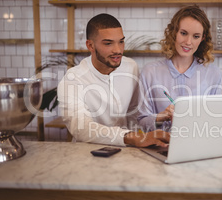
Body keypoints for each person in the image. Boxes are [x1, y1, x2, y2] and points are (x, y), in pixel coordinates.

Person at [57, 13, 169, 147]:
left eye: (121, 41)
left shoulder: (131, 67)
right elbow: (81, 128)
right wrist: (130, 137)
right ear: (90, 45)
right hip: (88, 153)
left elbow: (133, 111)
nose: (118, 50)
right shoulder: (73, 79)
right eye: (108, 43)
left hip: (128, 150)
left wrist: (154, 121)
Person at [138, 5, 222, 132]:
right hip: (161, 147)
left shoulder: (214, 74)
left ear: (202, 38)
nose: (188, 42)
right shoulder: (150, 72)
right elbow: (142, 122)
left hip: (199, 148)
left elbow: (217, 122)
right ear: (174, 32)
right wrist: (161, 117)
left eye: (196, 36)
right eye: (183, 33)